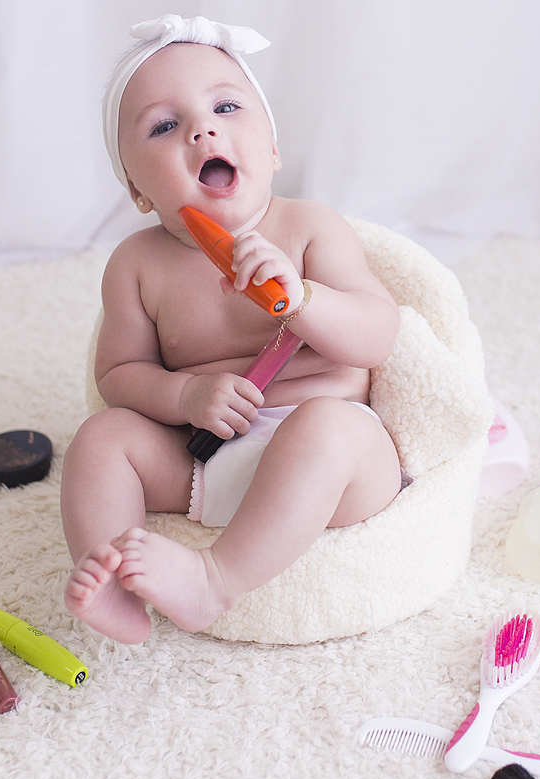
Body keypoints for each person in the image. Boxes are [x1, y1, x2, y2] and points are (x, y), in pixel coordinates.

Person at [61, 15, 403, 645]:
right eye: (164, 126)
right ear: (137, 190)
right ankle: (113, 586)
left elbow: (379, 334)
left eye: (225, 105)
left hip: (331, 470)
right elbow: (117, 375)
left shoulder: (308, 228)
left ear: (271, 148)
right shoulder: (139, 266)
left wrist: (301, 301)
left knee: (329, 428)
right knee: (100, 441)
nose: (202, 128)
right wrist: (184, 396)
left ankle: (214, 579)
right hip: (204, 458)